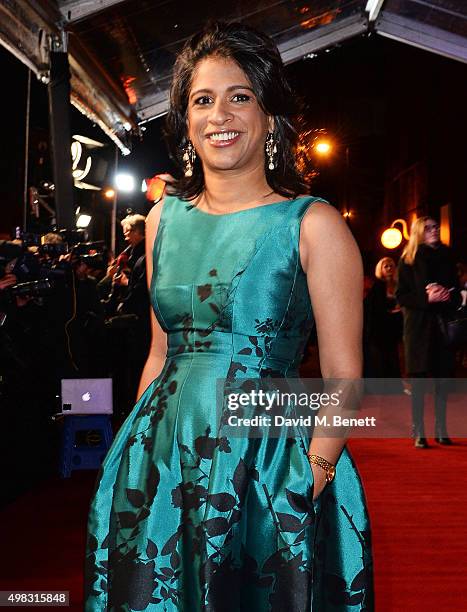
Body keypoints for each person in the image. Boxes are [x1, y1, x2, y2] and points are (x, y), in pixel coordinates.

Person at [85, 22, 373, 610]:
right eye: (203, 100)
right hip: (163, 457)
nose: (221, 114)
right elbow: (161, 353)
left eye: (240, 96)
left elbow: (345, 373)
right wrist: (138, 458)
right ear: (187, 124)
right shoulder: (164, 220)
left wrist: (312, 475)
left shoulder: (312, 224)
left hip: (268, 460)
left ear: (270, 117)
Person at [396, 216, 459, 448]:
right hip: (419, 329)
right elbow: (402, 295)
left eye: (436, 227)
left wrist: (447, 294)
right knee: (420, 382)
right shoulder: (408, 258)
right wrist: (426, 297)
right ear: (418, 232)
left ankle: (441, 429)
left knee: (443, 381)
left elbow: (456, 288)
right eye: (428, 228)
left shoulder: (447, 256)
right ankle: (419, 431)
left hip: (442, 325)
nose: (434, 231)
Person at [364, 257, 402, 378]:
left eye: (391, 265)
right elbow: (374, 308)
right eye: (386, 266)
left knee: (394, 356)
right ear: (381, 269)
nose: (389, 268)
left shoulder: (399, 284)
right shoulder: (378, 286)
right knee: (381, 358)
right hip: (380, 328)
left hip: (395, 326)